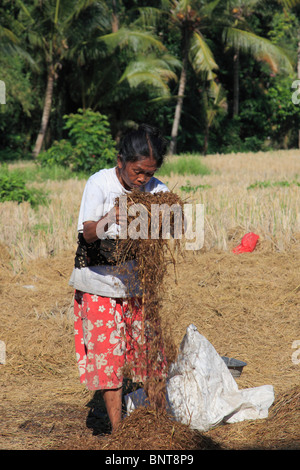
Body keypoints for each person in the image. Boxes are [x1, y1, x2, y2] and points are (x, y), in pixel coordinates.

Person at [69, 123, 169, 433]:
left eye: (149, 173)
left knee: (151, 354)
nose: (143, 178)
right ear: (121, 161)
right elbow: (86, 234)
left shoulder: (158, 191)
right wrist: (112, 216)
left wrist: (160, 220)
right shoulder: (99, 184)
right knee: (109, 359)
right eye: (138, 171)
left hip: (136, 285)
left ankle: (160, 425)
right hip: (97, 282)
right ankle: (118, 432)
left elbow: (170, 229)